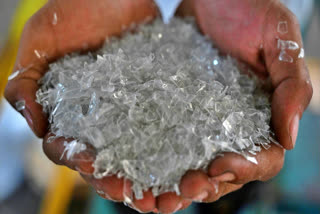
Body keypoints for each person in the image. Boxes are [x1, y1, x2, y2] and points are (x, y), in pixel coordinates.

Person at [4, 0, 313, 213]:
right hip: (122, 29)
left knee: (226, 178)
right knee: (123, 186)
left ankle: (228, 207)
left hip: (232, 37)